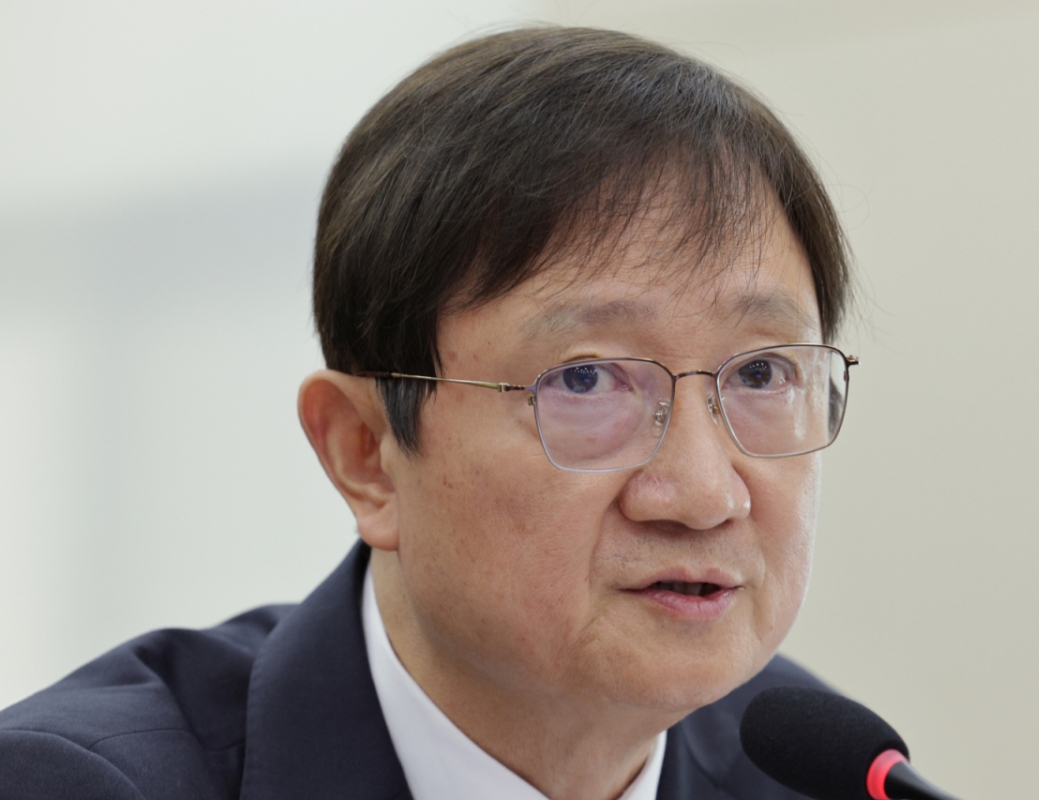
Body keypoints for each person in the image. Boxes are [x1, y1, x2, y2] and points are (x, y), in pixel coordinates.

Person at [0, 26, 856, 800]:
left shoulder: (831, 777)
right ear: (365, 452)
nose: (706, 494)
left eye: (763, 372)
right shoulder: (79, 784)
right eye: (587, 380)